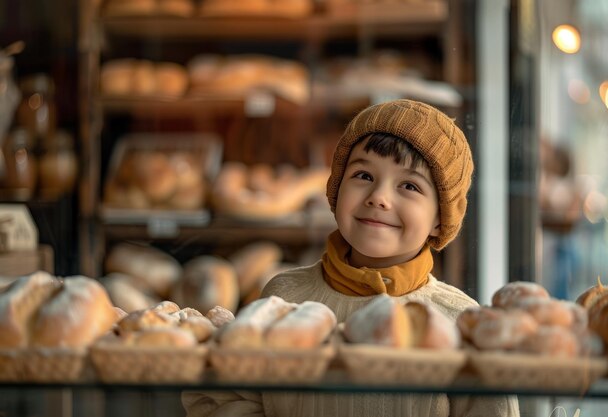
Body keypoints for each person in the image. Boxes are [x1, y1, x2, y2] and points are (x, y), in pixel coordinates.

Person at [182, 99, 520, 417]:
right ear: (336, 188)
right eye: (364, 176)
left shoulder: (460, 321)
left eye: (410, 186)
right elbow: (234, 398)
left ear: (440, 218)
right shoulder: (284, 297)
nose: (379, 198)